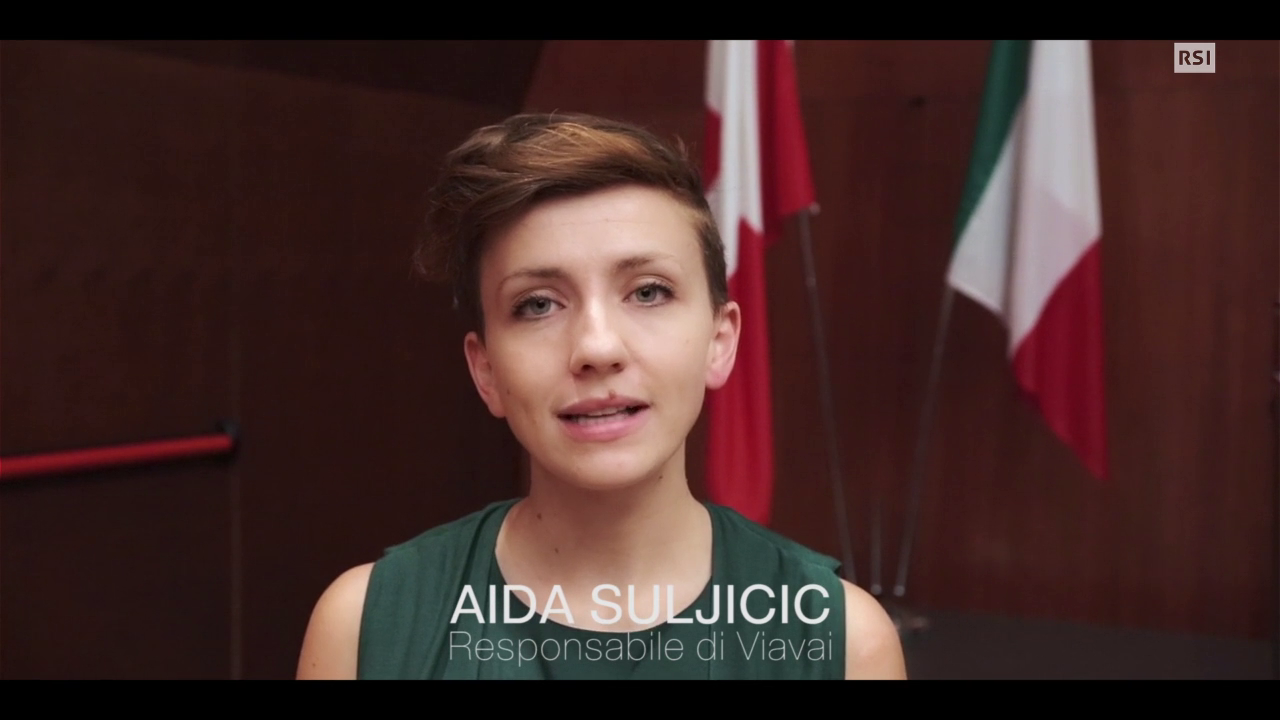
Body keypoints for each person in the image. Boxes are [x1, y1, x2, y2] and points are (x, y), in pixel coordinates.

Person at [296, 112, 906, 680]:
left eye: (648, 292)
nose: (596, 346)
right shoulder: (365, 628)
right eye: (538, 304)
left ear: (719, 342)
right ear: (486, 372)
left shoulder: (841, 642)